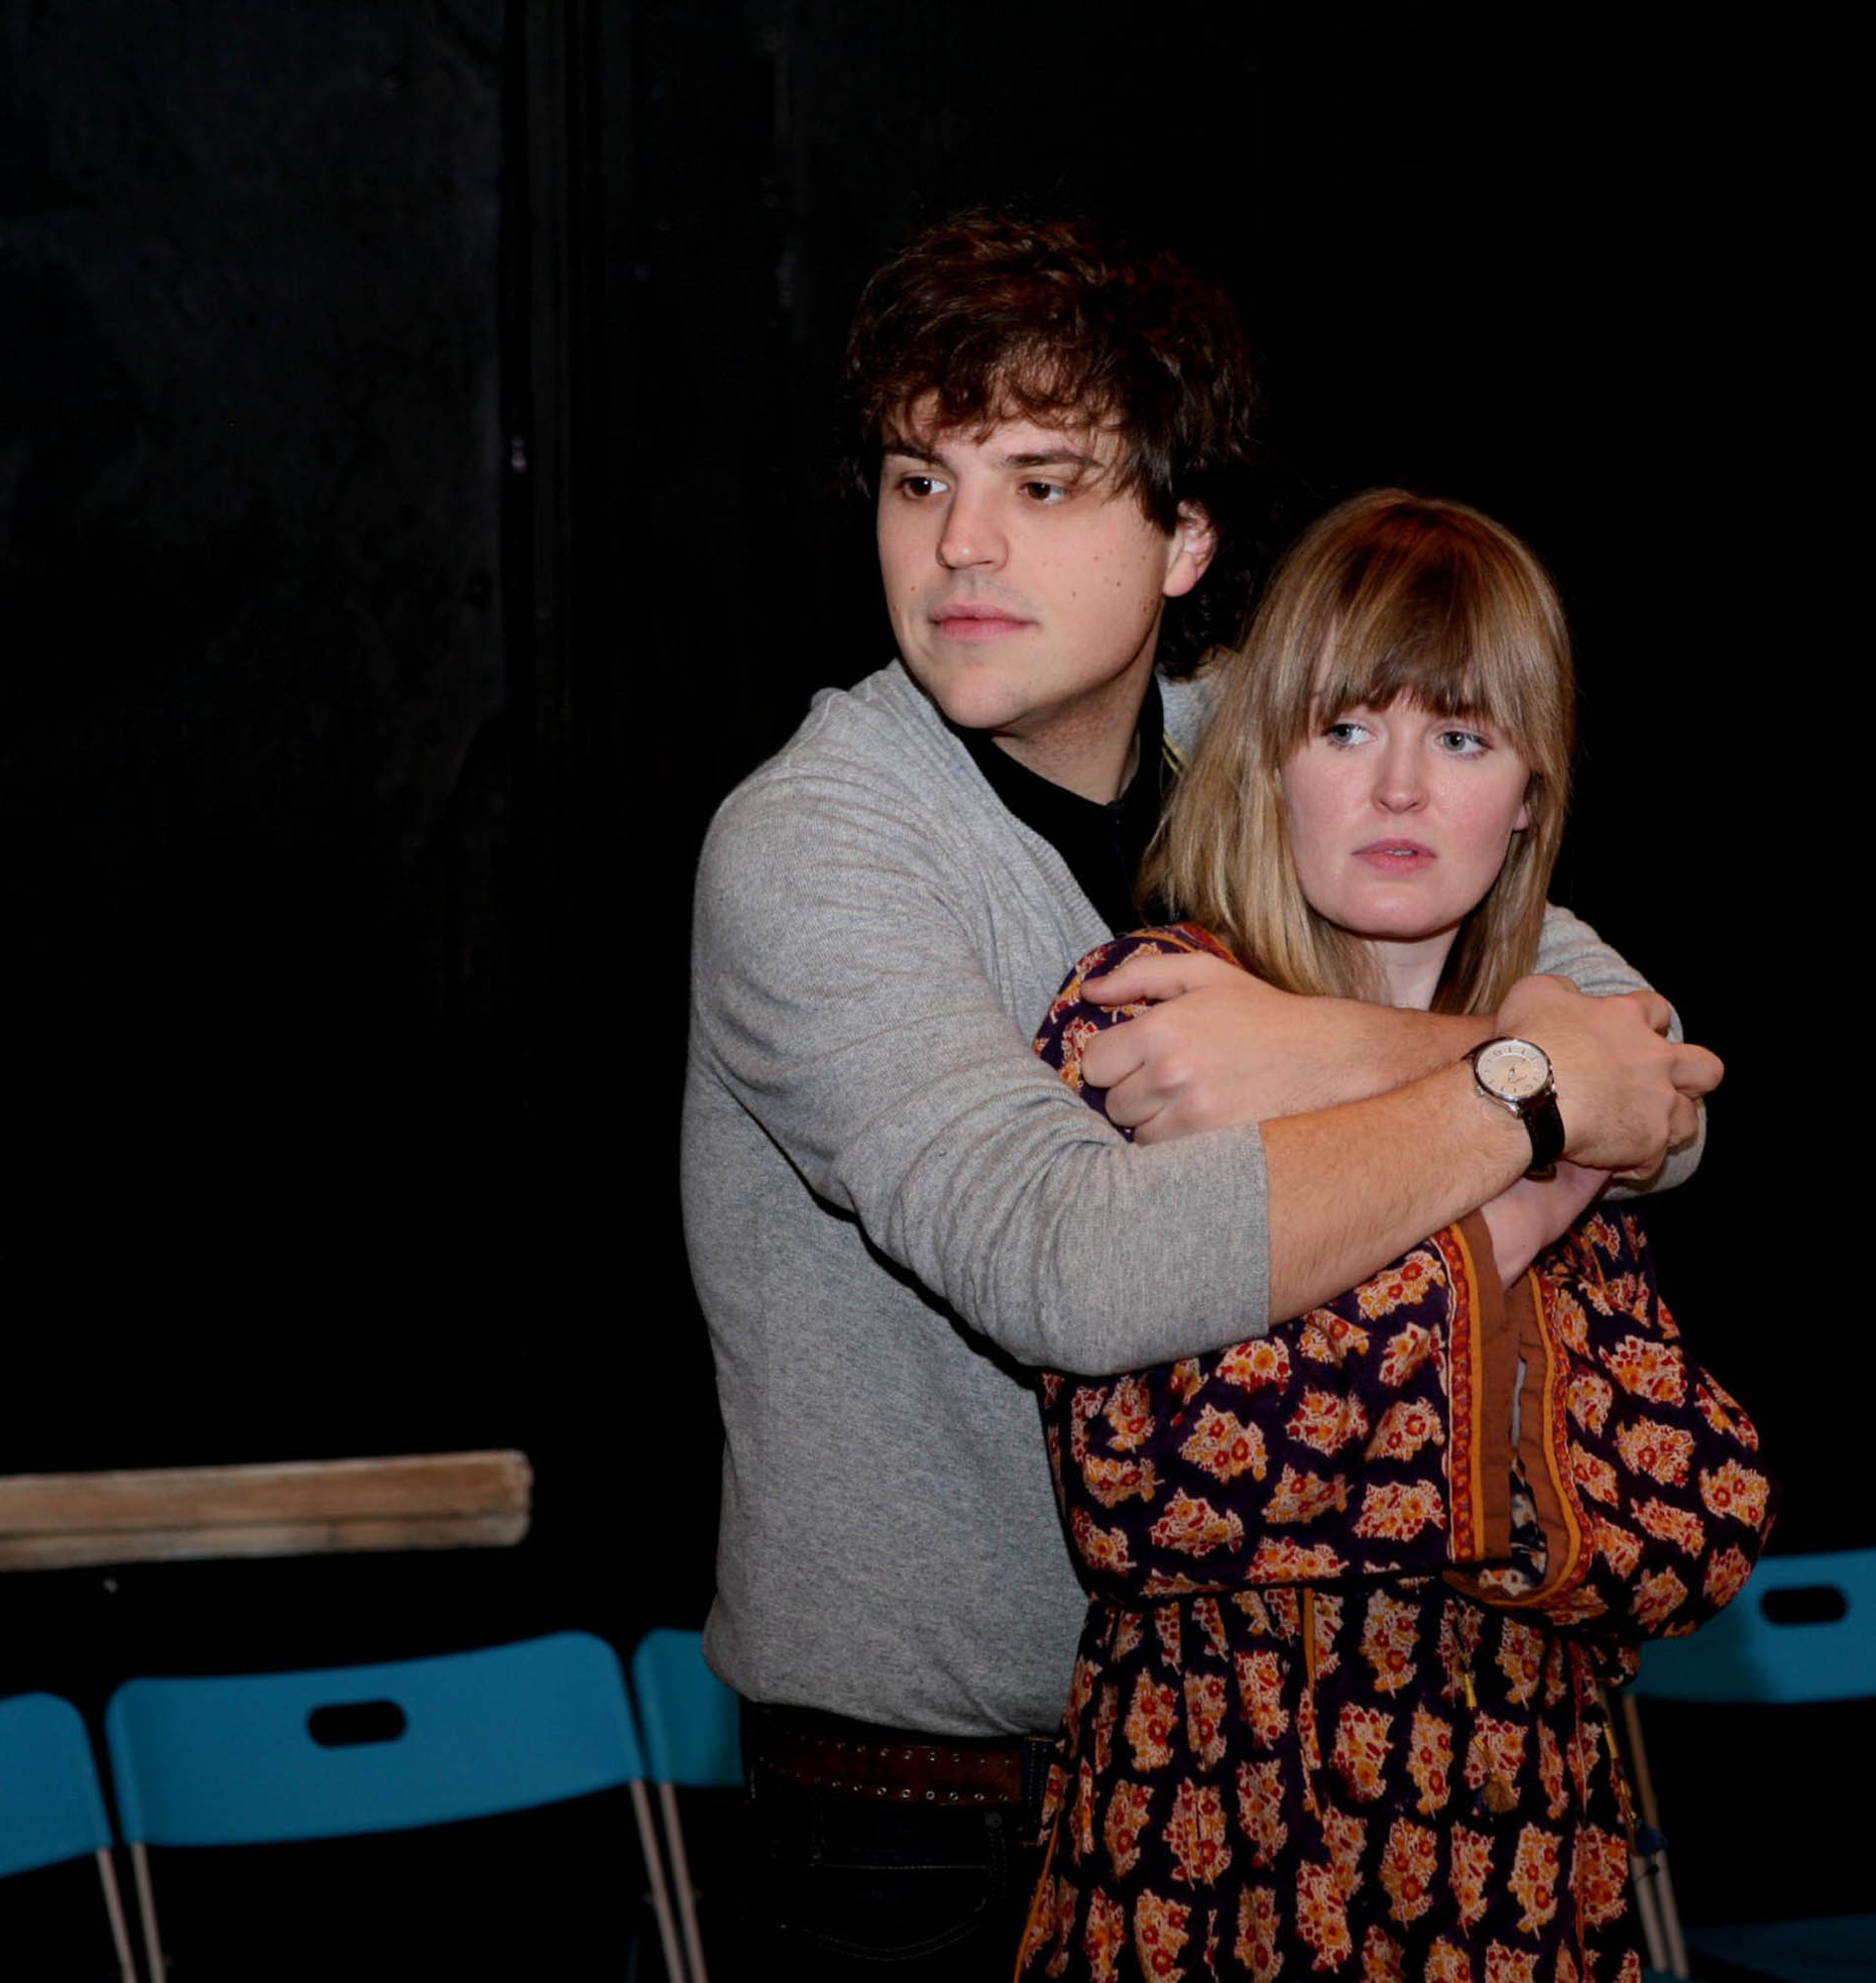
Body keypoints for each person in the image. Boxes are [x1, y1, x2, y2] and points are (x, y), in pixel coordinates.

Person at [682, 210, 1722, 1970]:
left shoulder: (1261, 742)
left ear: (1184, 537)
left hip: (1271, 1768)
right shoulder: (818, 844)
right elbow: (1072, 1271)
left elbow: (1651, 1074)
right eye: (920, 482)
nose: (961, 546)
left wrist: (1327, 1050)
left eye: (1044, 484)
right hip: (929, 1823)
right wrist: (1523, 1087)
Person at [1013, 490, 1769, 1979]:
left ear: (1532, 795)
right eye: (1349, 729)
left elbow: (1693, 1518)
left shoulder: (1572, 1049)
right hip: (1219, 1859)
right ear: (1268, 760)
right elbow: (1159, 1485)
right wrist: (1526, 1195)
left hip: (1520, 1871)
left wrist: (1350, 1356)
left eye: (1464, 739)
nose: (1403, 790)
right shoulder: (1159, 1018)